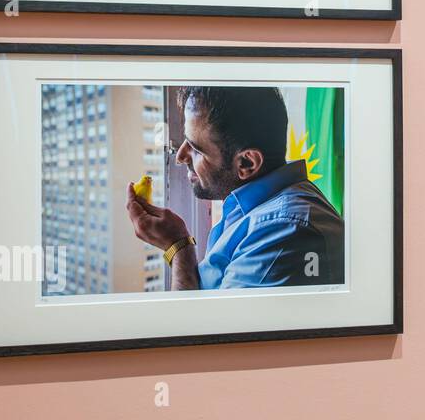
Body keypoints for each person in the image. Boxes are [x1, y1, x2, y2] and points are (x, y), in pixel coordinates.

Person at [125, 86, 344, 289]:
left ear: (247, 163)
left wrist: (177, 247)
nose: (180, 157)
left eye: (196, 149)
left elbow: (198, 329)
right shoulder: (252, 209)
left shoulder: (284, 235)